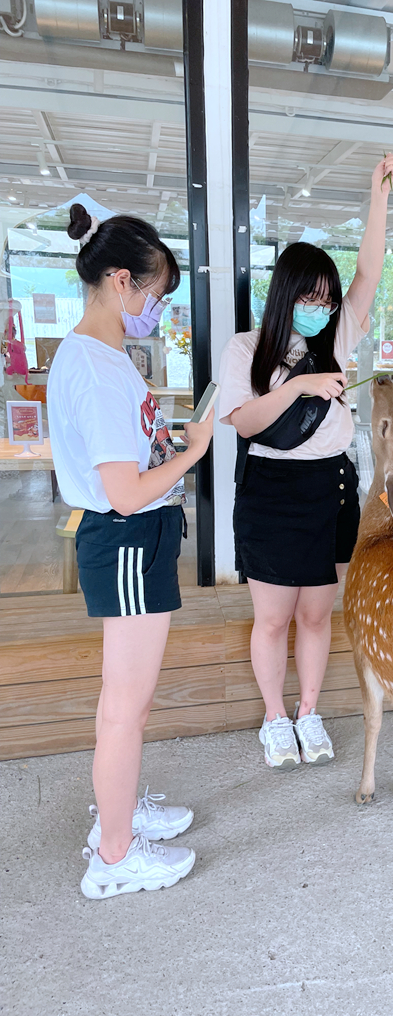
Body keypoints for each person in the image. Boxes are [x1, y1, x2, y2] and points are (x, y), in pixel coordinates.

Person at [47, 204, 214, 898]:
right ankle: (114, 854)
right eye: (154, 293)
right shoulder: (94, 365)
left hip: (137, 537)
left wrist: (164, 449)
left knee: (130, 704)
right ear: (121, 281)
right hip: (124, 535)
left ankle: (116, 817)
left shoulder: (105, 355)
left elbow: (127, 461)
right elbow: (121, 493)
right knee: (124, 705)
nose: (155, 307)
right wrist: (195, 453)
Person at [218, 154, 393, 771]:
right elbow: (243, 422)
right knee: (272, 618)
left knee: (318, 613)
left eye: (327, 298)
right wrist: (298, 387)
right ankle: (274, 719)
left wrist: (378, 197)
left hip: (329, 489)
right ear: (287, 295)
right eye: (311, 297)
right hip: (269, 490)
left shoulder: (337, 339)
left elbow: (370, 270)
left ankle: (309, 712)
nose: (321, 307)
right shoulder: (247, 348)